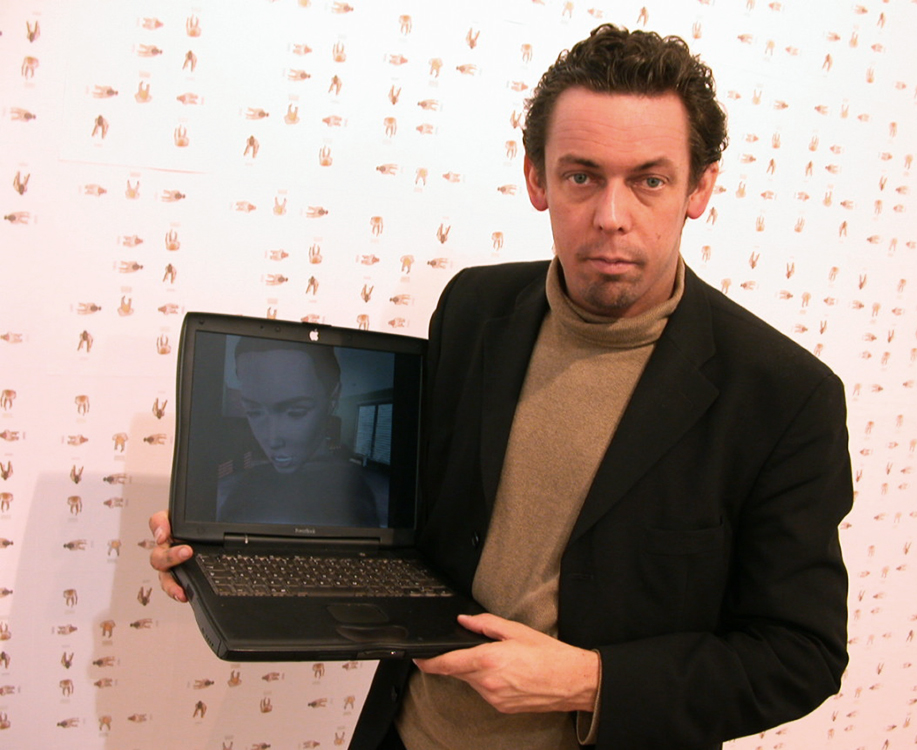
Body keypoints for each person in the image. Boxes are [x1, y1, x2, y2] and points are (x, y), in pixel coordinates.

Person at [151, 24, 852, 750]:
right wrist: (232, 542)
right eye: (582, 176)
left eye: (649, 180)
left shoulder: (784, 397)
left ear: (699, 188)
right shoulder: (474, 309)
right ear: (537, 179)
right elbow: (415, 510)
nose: (612, 217)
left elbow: (801, 654)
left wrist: (590, 681)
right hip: (408, 733)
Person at [218, 337, 378, 527]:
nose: (273, 440)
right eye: (254, 412)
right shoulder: (244, 490)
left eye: (296, 412)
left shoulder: (353, 494)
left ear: (333, 398)